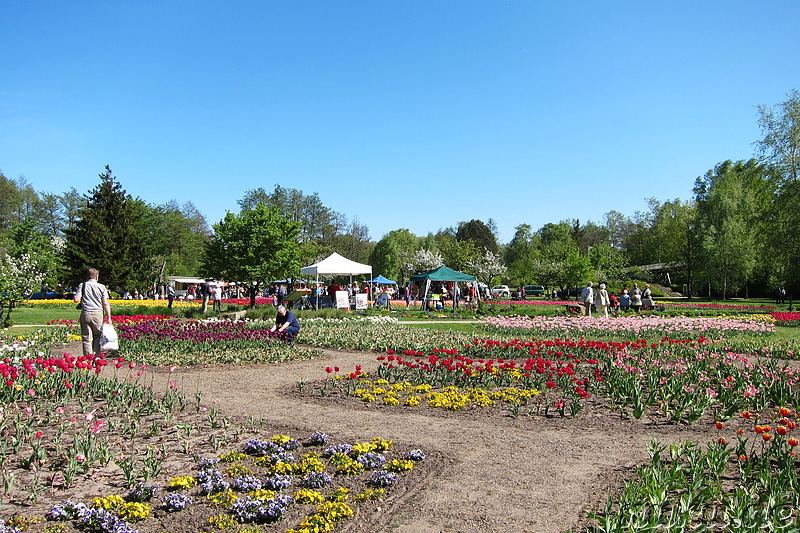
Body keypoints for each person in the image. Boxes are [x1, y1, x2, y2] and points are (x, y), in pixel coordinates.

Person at [73, 268, 112, 356]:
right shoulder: (102, 287)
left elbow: (76, 299)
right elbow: (105, 303)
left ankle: (88, 358)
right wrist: (109, 317)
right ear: (97, 276)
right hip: (98, 313)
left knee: (86, 338)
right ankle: (96, 357)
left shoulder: (82, 285)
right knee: (97, 336)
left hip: (86, 313)